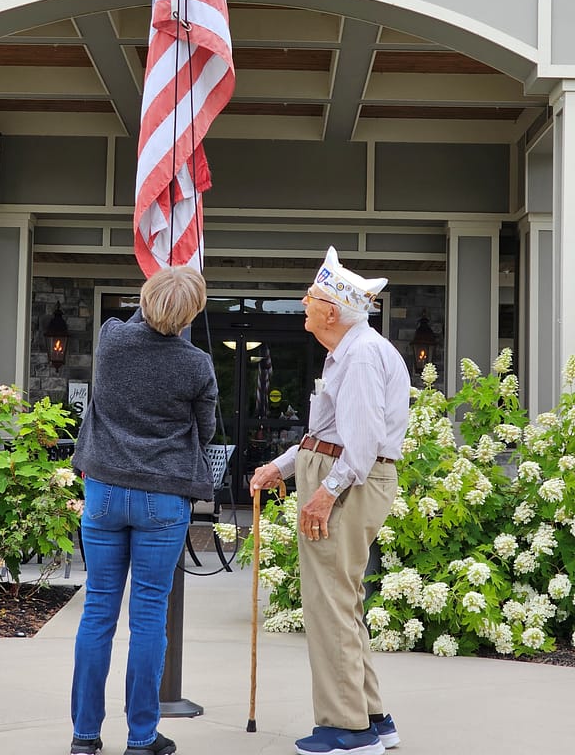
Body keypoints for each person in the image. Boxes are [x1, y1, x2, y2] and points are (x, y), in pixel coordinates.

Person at [250, 246, 410, 755]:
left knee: (329, 605)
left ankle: (348, 729)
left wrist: (324, 494)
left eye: (313, 296)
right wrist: (282, 467)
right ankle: (372, 719)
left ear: (334, 311)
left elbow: (358, 447)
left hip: (347, 485)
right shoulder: (352, 350)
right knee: (342, 602)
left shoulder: (360, 355)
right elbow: (328, 435)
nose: (303, 301)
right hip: (342, 478)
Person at [70, 266, 218, 755]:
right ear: (192, 313)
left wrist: (156, 299)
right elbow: (208, 429)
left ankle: (85, 738)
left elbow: (137, 321)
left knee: (97, 613)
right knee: (149, 615)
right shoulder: (197, 365)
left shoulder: (112, 339)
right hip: (163, 496)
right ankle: (141, 737)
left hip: (105, 491)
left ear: (144, 297)